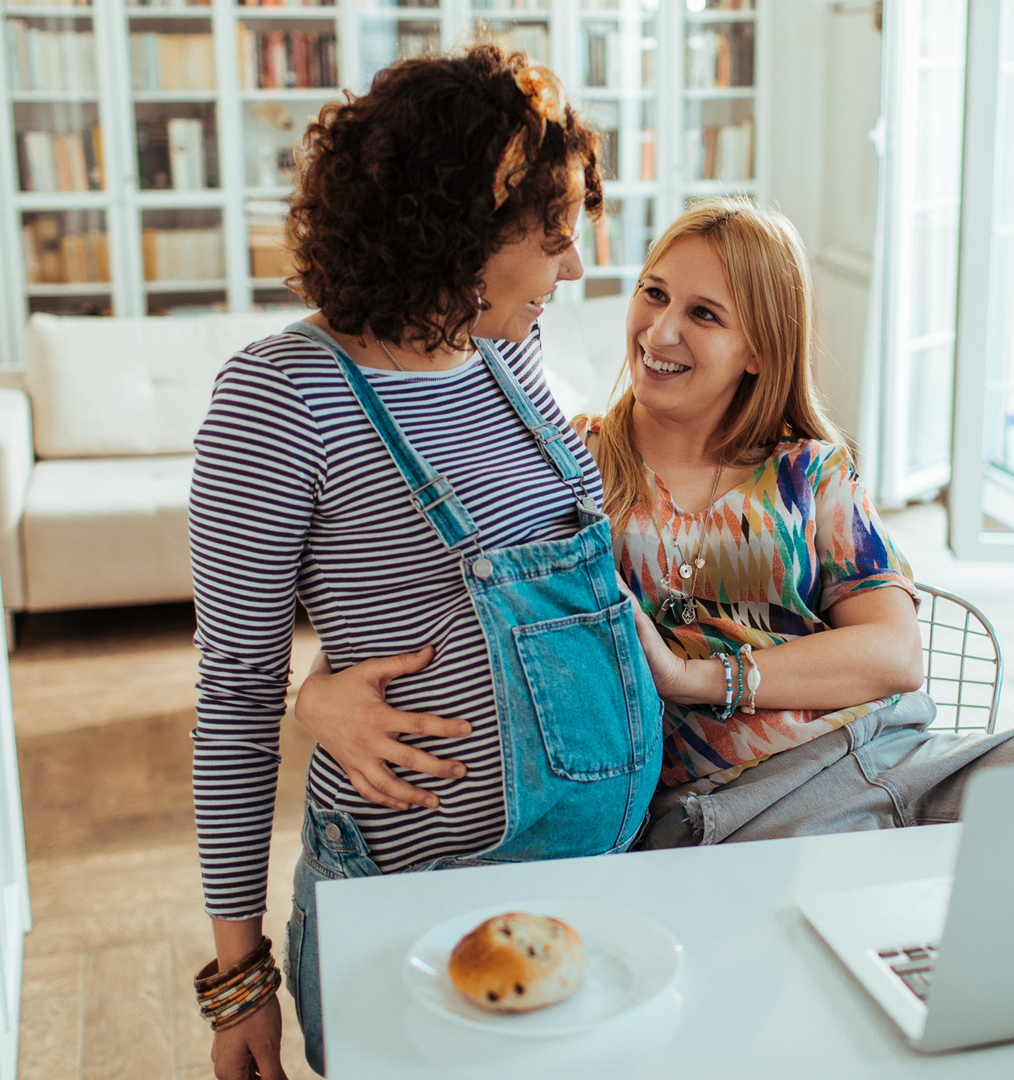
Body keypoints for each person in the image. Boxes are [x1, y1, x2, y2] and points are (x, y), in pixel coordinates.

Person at [296, 198, 1014, 855]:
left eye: (705, 314)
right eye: (653, 294)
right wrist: (315, 697)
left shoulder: (810, 474)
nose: (661, 330)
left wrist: (703, 676)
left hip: (895, 760)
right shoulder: (567, 461)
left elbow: (896, 654)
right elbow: (434, 604)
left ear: (762, 348)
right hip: (714, 827)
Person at [187, 48, 658, 1079]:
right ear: (460, 232)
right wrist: (238, 984)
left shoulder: (506, 353)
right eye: (554, 234)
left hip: (602, 880)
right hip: (421, 896)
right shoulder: (277, 401)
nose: (573, 267)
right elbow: (232, 700)